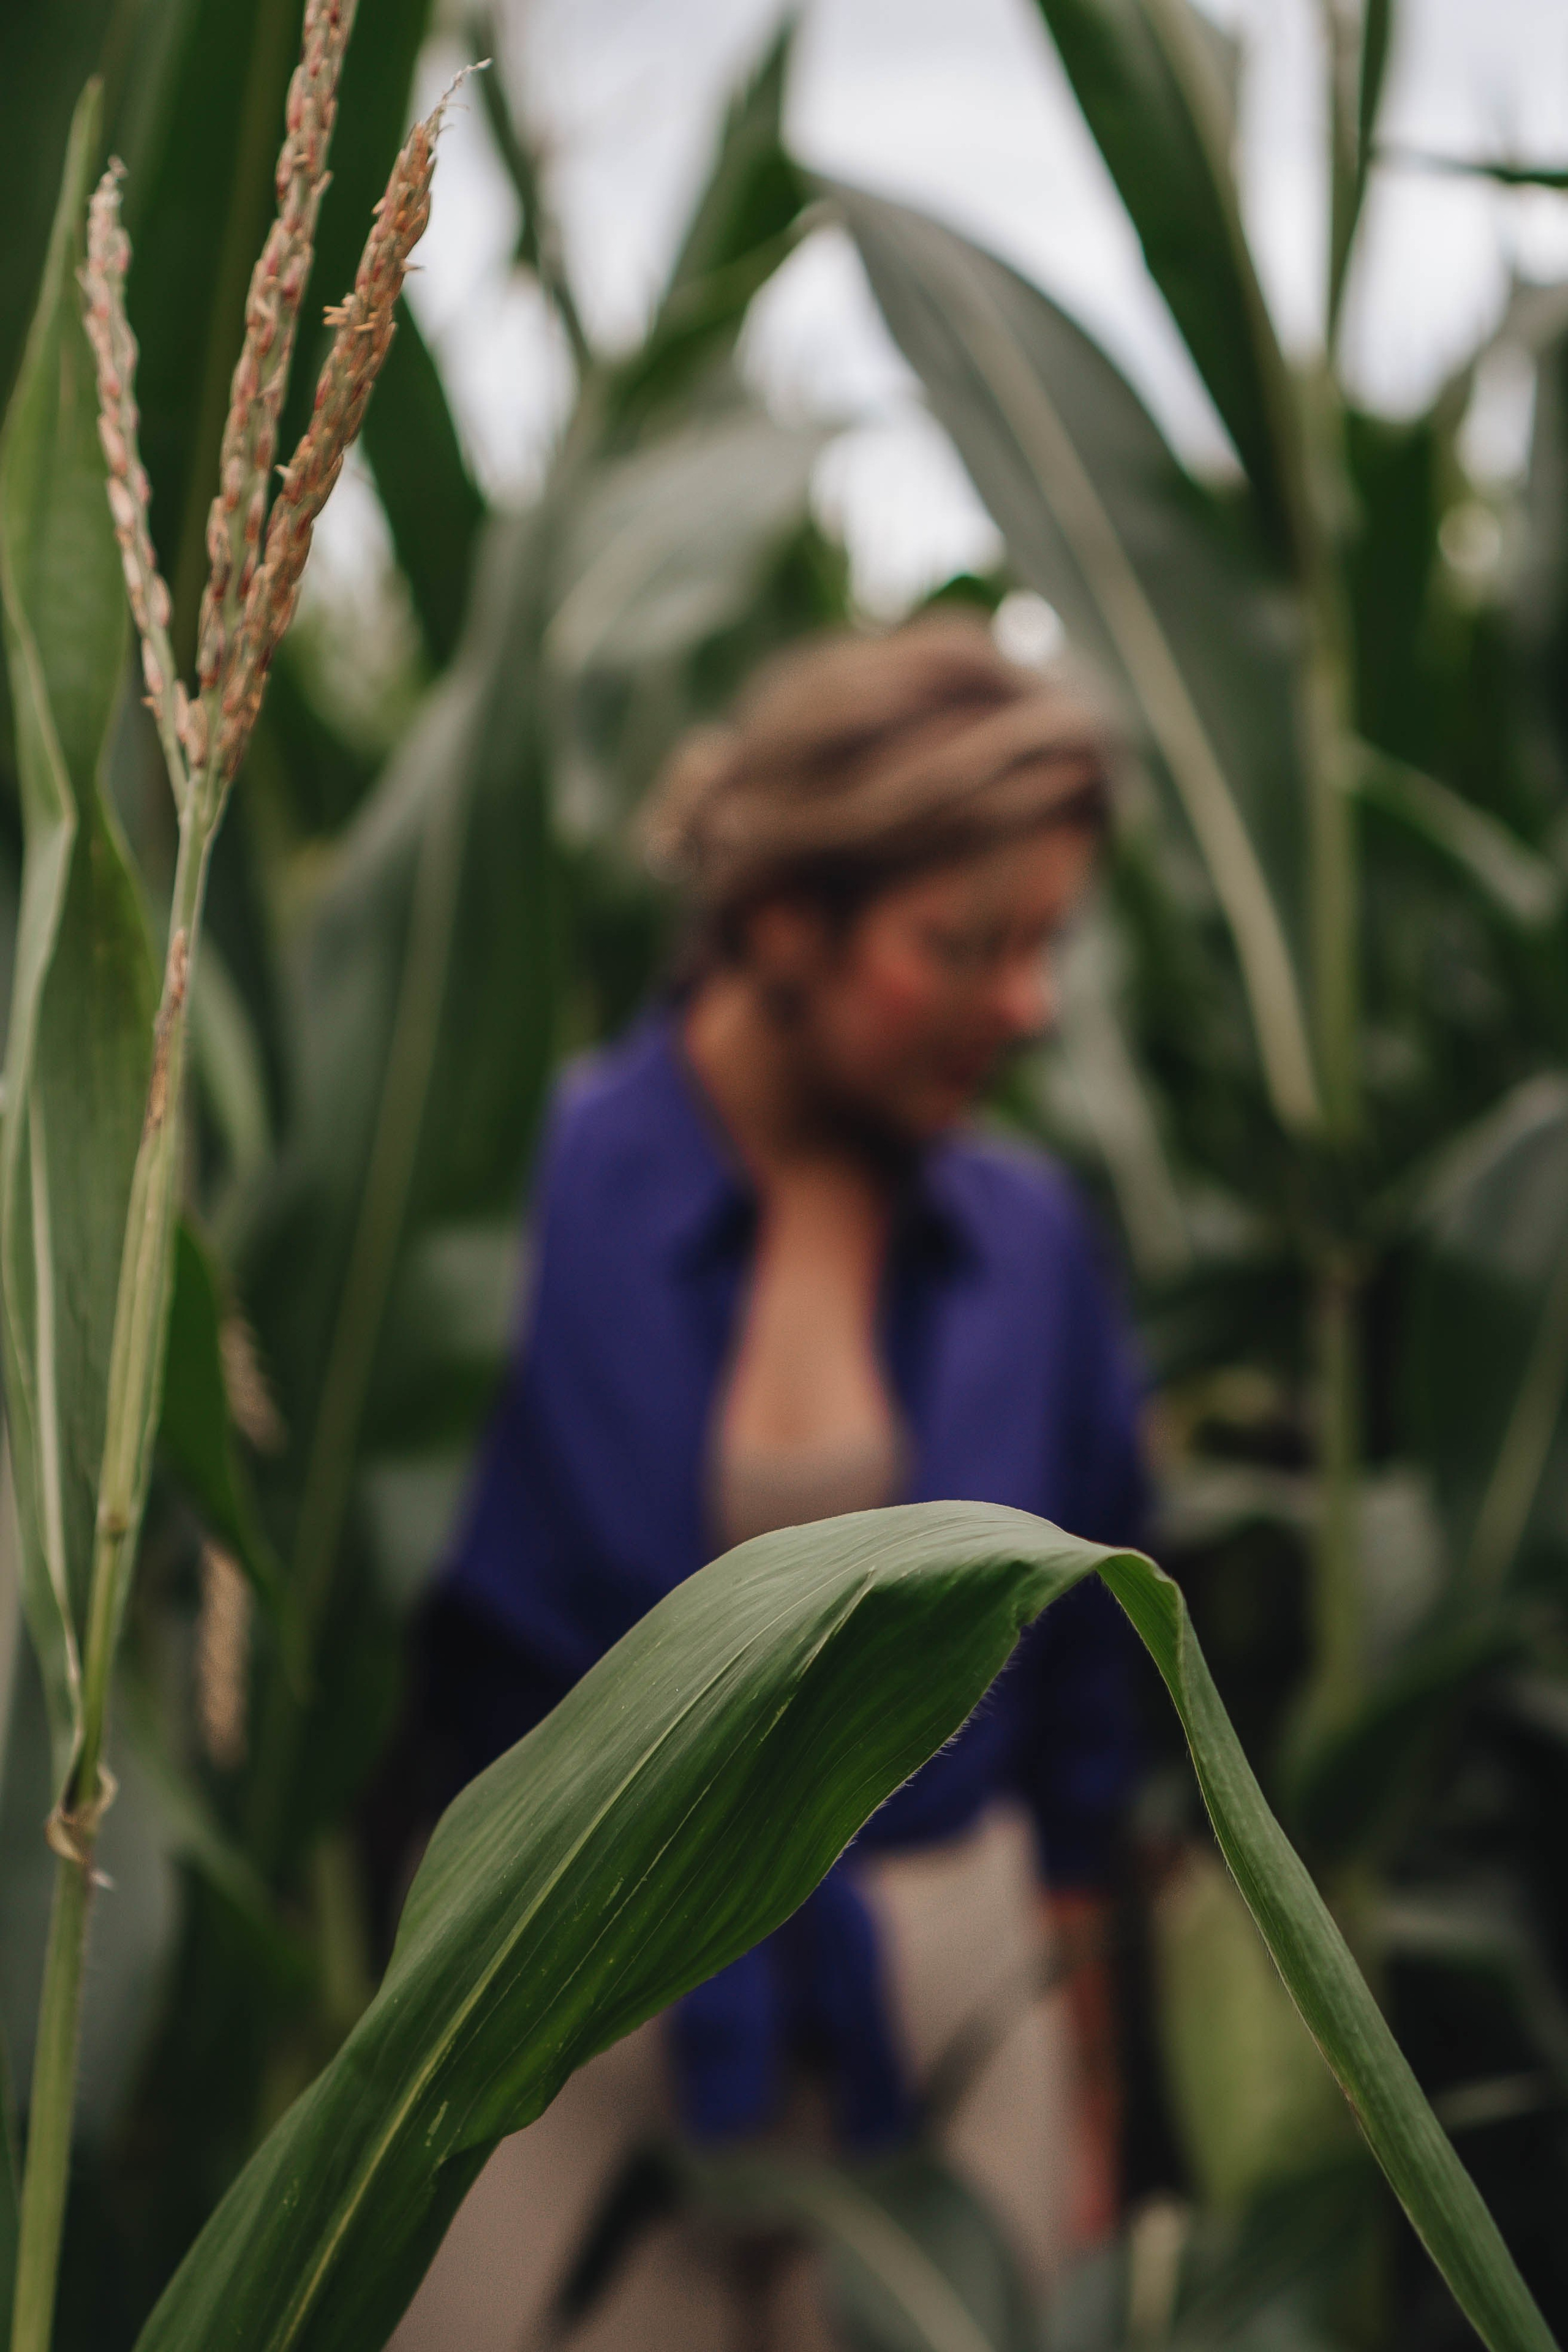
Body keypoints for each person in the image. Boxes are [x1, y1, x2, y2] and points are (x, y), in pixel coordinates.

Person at [390, 612, 1147, 2352]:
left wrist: (1093, 2103)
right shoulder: (499, 1201)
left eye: (1045, 947)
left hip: (958, 2028)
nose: (1026, 1006)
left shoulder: (1035, 1246)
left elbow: (1095, 1736)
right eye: (963, 946)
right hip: (568, 2025)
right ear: (783, 918)